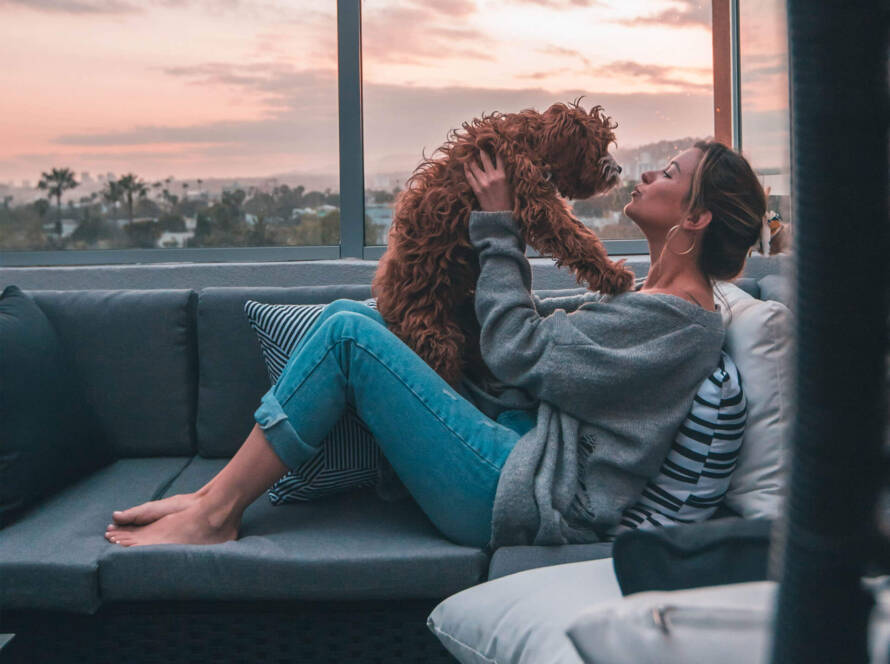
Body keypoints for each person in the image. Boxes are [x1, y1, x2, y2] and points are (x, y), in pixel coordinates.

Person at [104, 140, 766, 550]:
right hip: (513, 446)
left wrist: (497, 226)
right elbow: (548, 351)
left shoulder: (678, 323)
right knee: (347, 311)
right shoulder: (658, 305)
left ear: (696, 217)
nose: (648, 173)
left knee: (344, 335)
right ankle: (208, 497)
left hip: (511, 492)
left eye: (670, 173)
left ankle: (216, 512)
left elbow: (519, 352)